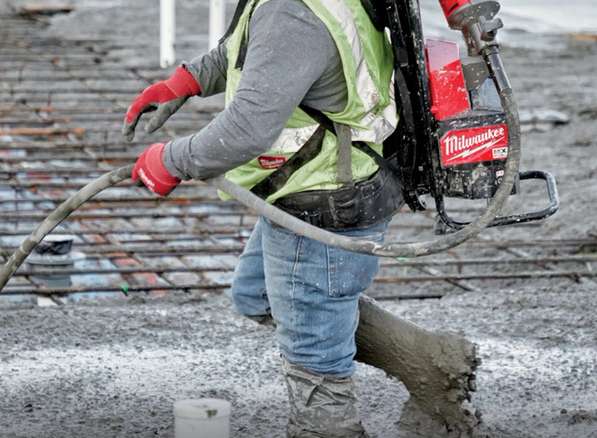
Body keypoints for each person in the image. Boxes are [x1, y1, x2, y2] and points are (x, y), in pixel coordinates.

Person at [122, 0, 403, 436]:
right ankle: (425, 358)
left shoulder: (292, 12)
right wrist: (188, 79)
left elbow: (247, 129)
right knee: (257, 295)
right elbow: (250, 49)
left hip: (322, 201)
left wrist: (172, 159)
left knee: (314, 357)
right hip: (326, 181)